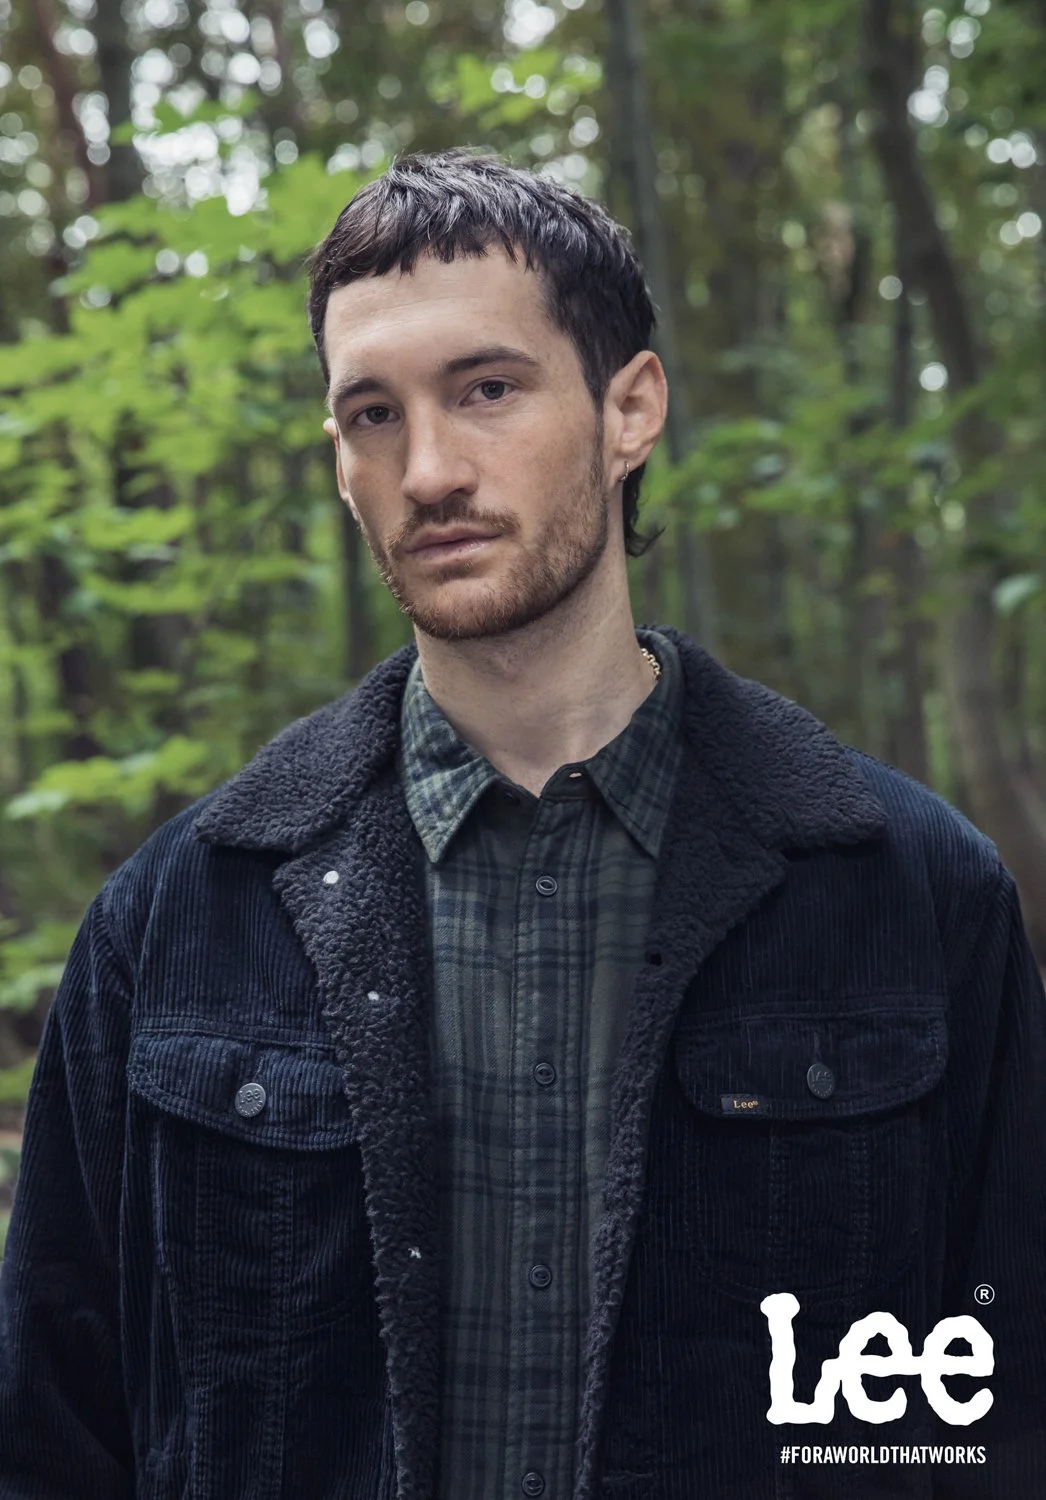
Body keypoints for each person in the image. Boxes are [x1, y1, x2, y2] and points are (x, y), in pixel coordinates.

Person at [1, 146, 1044, 1500]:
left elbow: (998, 1419)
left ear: (630, 410)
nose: (428, 468)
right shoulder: (179, 920)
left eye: (485, 390)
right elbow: (52, 1440)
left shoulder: (906, 895)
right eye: (372, 414)